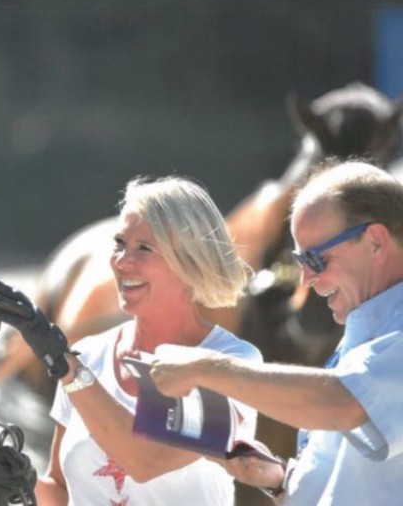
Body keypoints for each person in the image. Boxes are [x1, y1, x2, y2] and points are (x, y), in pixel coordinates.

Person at [0, 175, 264, 505]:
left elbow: (147, 463)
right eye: (120, 244)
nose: (121, 261)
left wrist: (69, 369)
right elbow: (62, 493)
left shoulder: (232, 360)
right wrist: (23, 483)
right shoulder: (86, 355)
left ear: (192, 261)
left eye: (144, 248)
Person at [149, 159, 403, 505]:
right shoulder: (371, 318)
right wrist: (281, 480)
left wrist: (205, 368)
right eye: (299, 262)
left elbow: (343, 403)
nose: (307, 280)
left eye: (316, 260)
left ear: (375, 241)